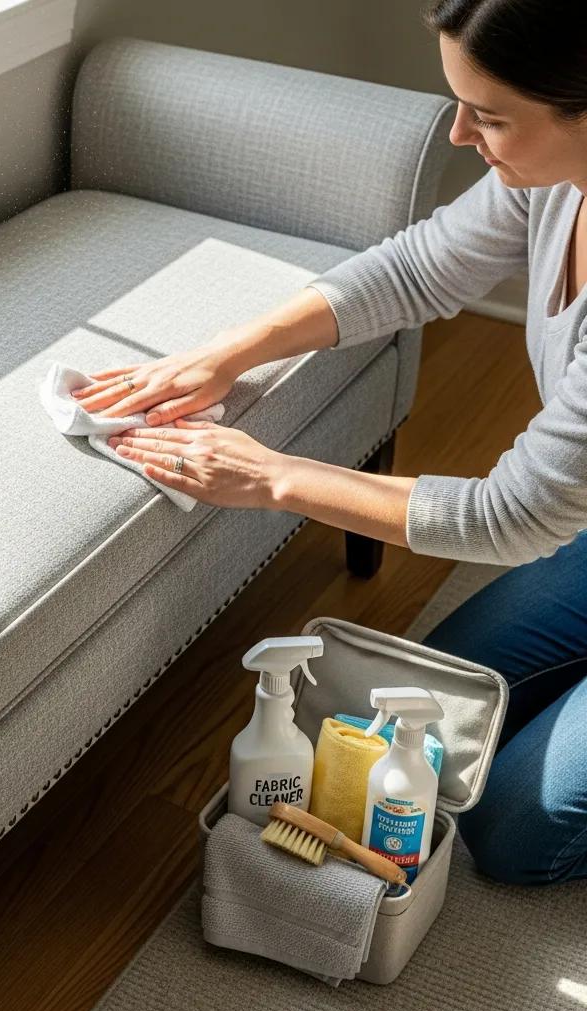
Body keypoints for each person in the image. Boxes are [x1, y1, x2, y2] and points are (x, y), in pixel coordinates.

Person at [71, 0, 587, 886]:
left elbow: (515, 515)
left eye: (490, 116)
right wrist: (228, 353)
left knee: (511, 834)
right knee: (430, 710)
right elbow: (422, 266)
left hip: (559, 526)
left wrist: (273, 477)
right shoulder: (550, 181)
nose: (460, 134)